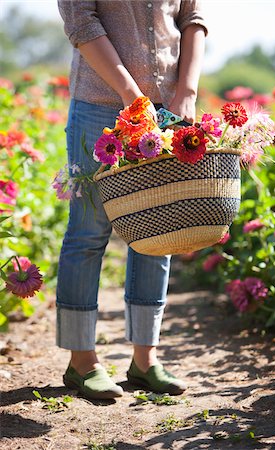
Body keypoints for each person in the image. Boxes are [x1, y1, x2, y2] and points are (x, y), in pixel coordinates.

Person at [56, 0, 207, 400]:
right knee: (88, 232)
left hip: (169, 110)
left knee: (156, 231)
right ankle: (81, 362)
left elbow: (192, 18)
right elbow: (80, 21)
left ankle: (145, 361)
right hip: (98, 106)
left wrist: (186, 93)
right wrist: (131, 95)